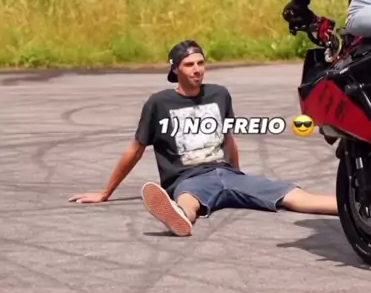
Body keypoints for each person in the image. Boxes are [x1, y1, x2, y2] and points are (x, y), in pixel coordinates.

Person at [68, 40, 338, 236]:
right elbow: (136, 149)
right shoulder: (159, 103)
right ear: (175, 70)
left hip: (227, 174)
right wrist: (105, 193)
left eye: (200, 63)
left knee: (293, 195)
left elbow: (229, 138)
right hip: (188, 178)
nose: (197, 69)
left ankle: (353, 206)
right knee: (188, 200)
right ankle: (179, 218)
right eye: (189, 65)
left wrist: (237, 172)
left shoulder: (219, 94)